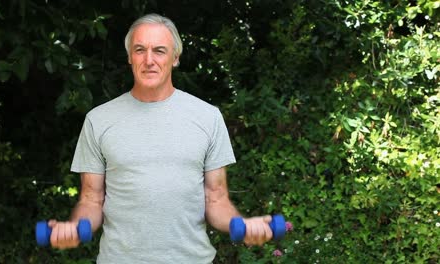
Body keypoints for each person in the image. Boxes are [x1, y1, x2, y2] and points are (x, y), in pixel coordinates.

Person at [49, 13, 274, 263]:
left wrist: (240, 225)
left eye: (159, 50)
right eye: (139, 50)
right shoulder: (98, 120)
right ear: (129, 57)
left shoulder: (207, 117)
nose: (148, 60)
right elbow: (91, 199)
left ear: (175, 58)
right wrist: (75, 228)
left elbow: (216, 198)